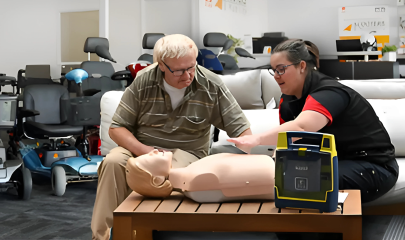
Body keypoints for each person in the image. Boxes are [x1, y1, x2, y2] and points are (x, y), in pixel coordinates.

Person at [91, 34, 252, 240]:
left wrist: (254, 164)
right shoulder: (144, 81)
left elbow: (242, 130)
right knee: (113, 162)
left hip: (188, 153)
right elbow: (117, 128)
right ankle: (102, 237)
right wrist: (146, 151)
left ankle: (146, 232)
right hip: (143, 149)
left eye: (191, 67)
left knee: (166, 170)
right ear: (162, 66)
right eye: (178, 71)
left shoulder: (211, 85)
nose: (187, 76)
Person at [228, 39, 399, 204]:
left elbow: (301, 128)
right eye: (273, 71)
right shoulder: (287, 99)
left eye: (281, 69)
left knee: (305, 181)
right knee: (282, 178)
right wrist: (273, 166)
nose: (276, 76)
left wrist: (256, 139)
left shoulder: (330, 92)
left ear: (301, 66)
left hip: (374, 167)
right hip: (332, 161)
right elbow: (288, 141)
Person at [126, 149, 275, 202]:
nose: (153, 151)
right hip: (279, 177)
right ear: (157, 180)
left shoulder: (193, 173)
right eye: (149, 158)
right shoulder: (196, 181)